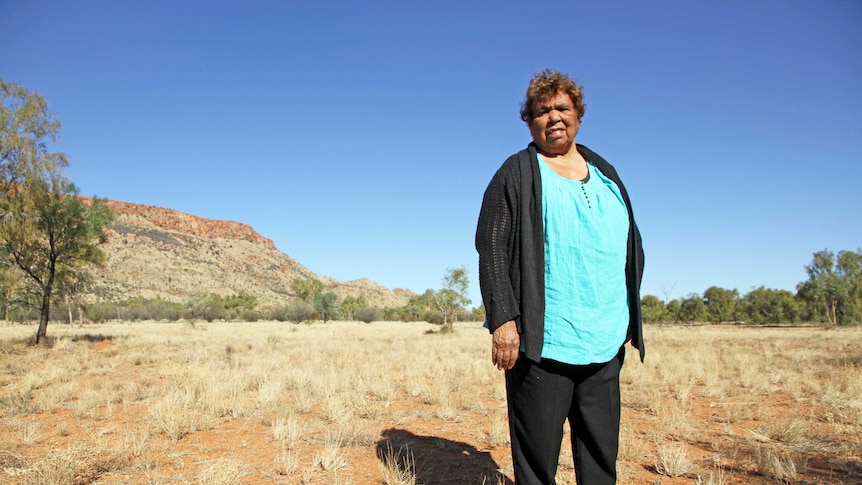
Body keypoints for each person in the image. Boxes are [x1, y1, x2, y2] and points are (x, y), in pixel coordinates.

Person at [475, 69, 645, 485]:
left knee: (601, 454)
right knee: (537, 462)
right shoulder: (515, 173)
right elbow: (492, 247)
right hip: (543, 343)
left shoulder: (606, 173)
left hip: (603, 342)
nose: (552, 116)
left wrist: (626, 316)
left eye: (561, 108)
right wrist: (504, 320)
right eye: (541, 110)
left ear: (578, 115)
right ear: (529, 121)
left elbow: (630, 244)